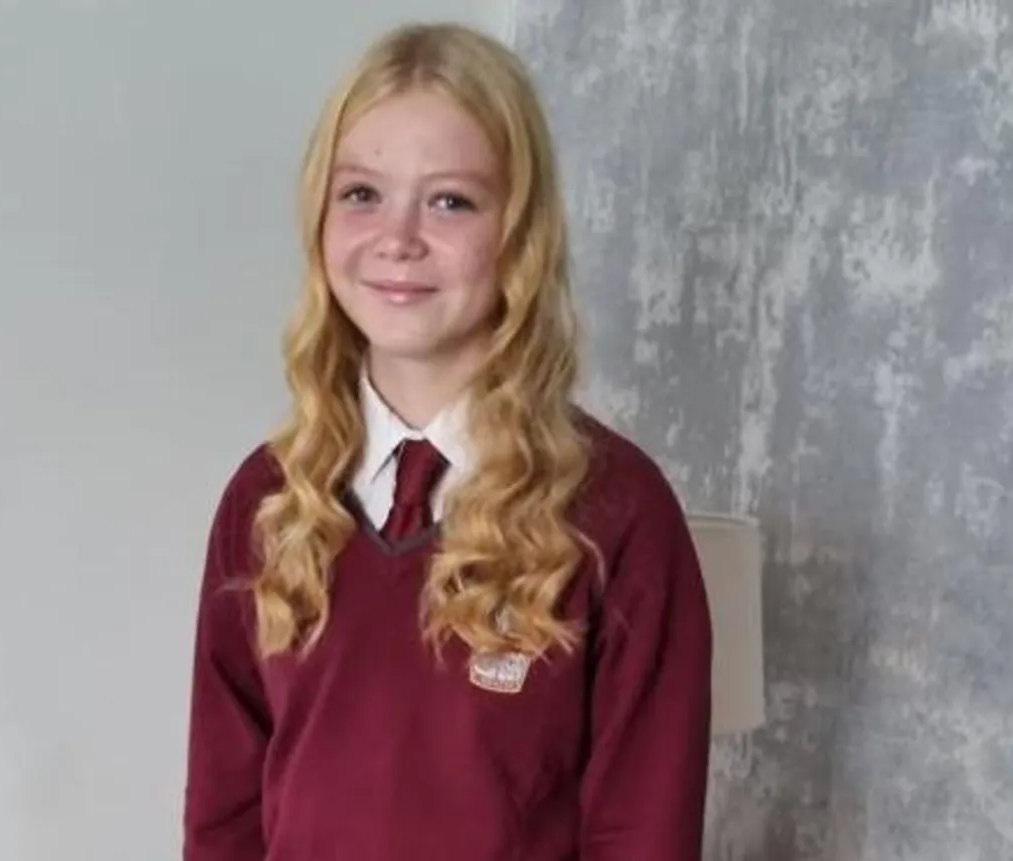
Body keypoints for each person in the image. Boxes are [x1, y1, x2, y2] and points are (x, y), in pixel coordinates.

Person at [182, 20, 712, 860]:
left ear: (519, 235)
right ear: (320, 216)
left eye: (451, 200)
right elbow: (221, 821)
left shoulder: (617, 513)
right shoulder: (267, 500)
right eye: (362, 193)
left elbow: (641, 835)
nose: (398, 238)